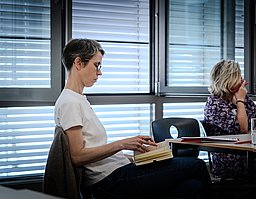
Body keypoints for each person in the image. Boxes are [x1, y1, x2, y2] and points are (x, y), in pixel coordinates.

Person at [54, 38, 211, 199]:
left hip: (116, 172)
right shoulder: (70, 102)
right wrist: (122, 144)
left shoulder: (78, 99)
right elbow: (77, 156)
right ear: (78, 63)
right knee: (197, 166)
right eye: (97, 65)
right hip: (110, 181)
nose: (99, 72)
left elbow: (94, 149)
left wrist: (138, 156)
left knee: (193, 187)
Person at [203, 59, 256, 180]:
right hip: (229, 156)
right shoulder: (214, 103)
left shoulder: (244, 98)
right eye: (239, 76)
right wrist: (240, 101)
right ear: (229, 79)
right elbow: (242, 128)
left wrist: (250, 130)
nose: (242, 80)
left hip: (250, 151)